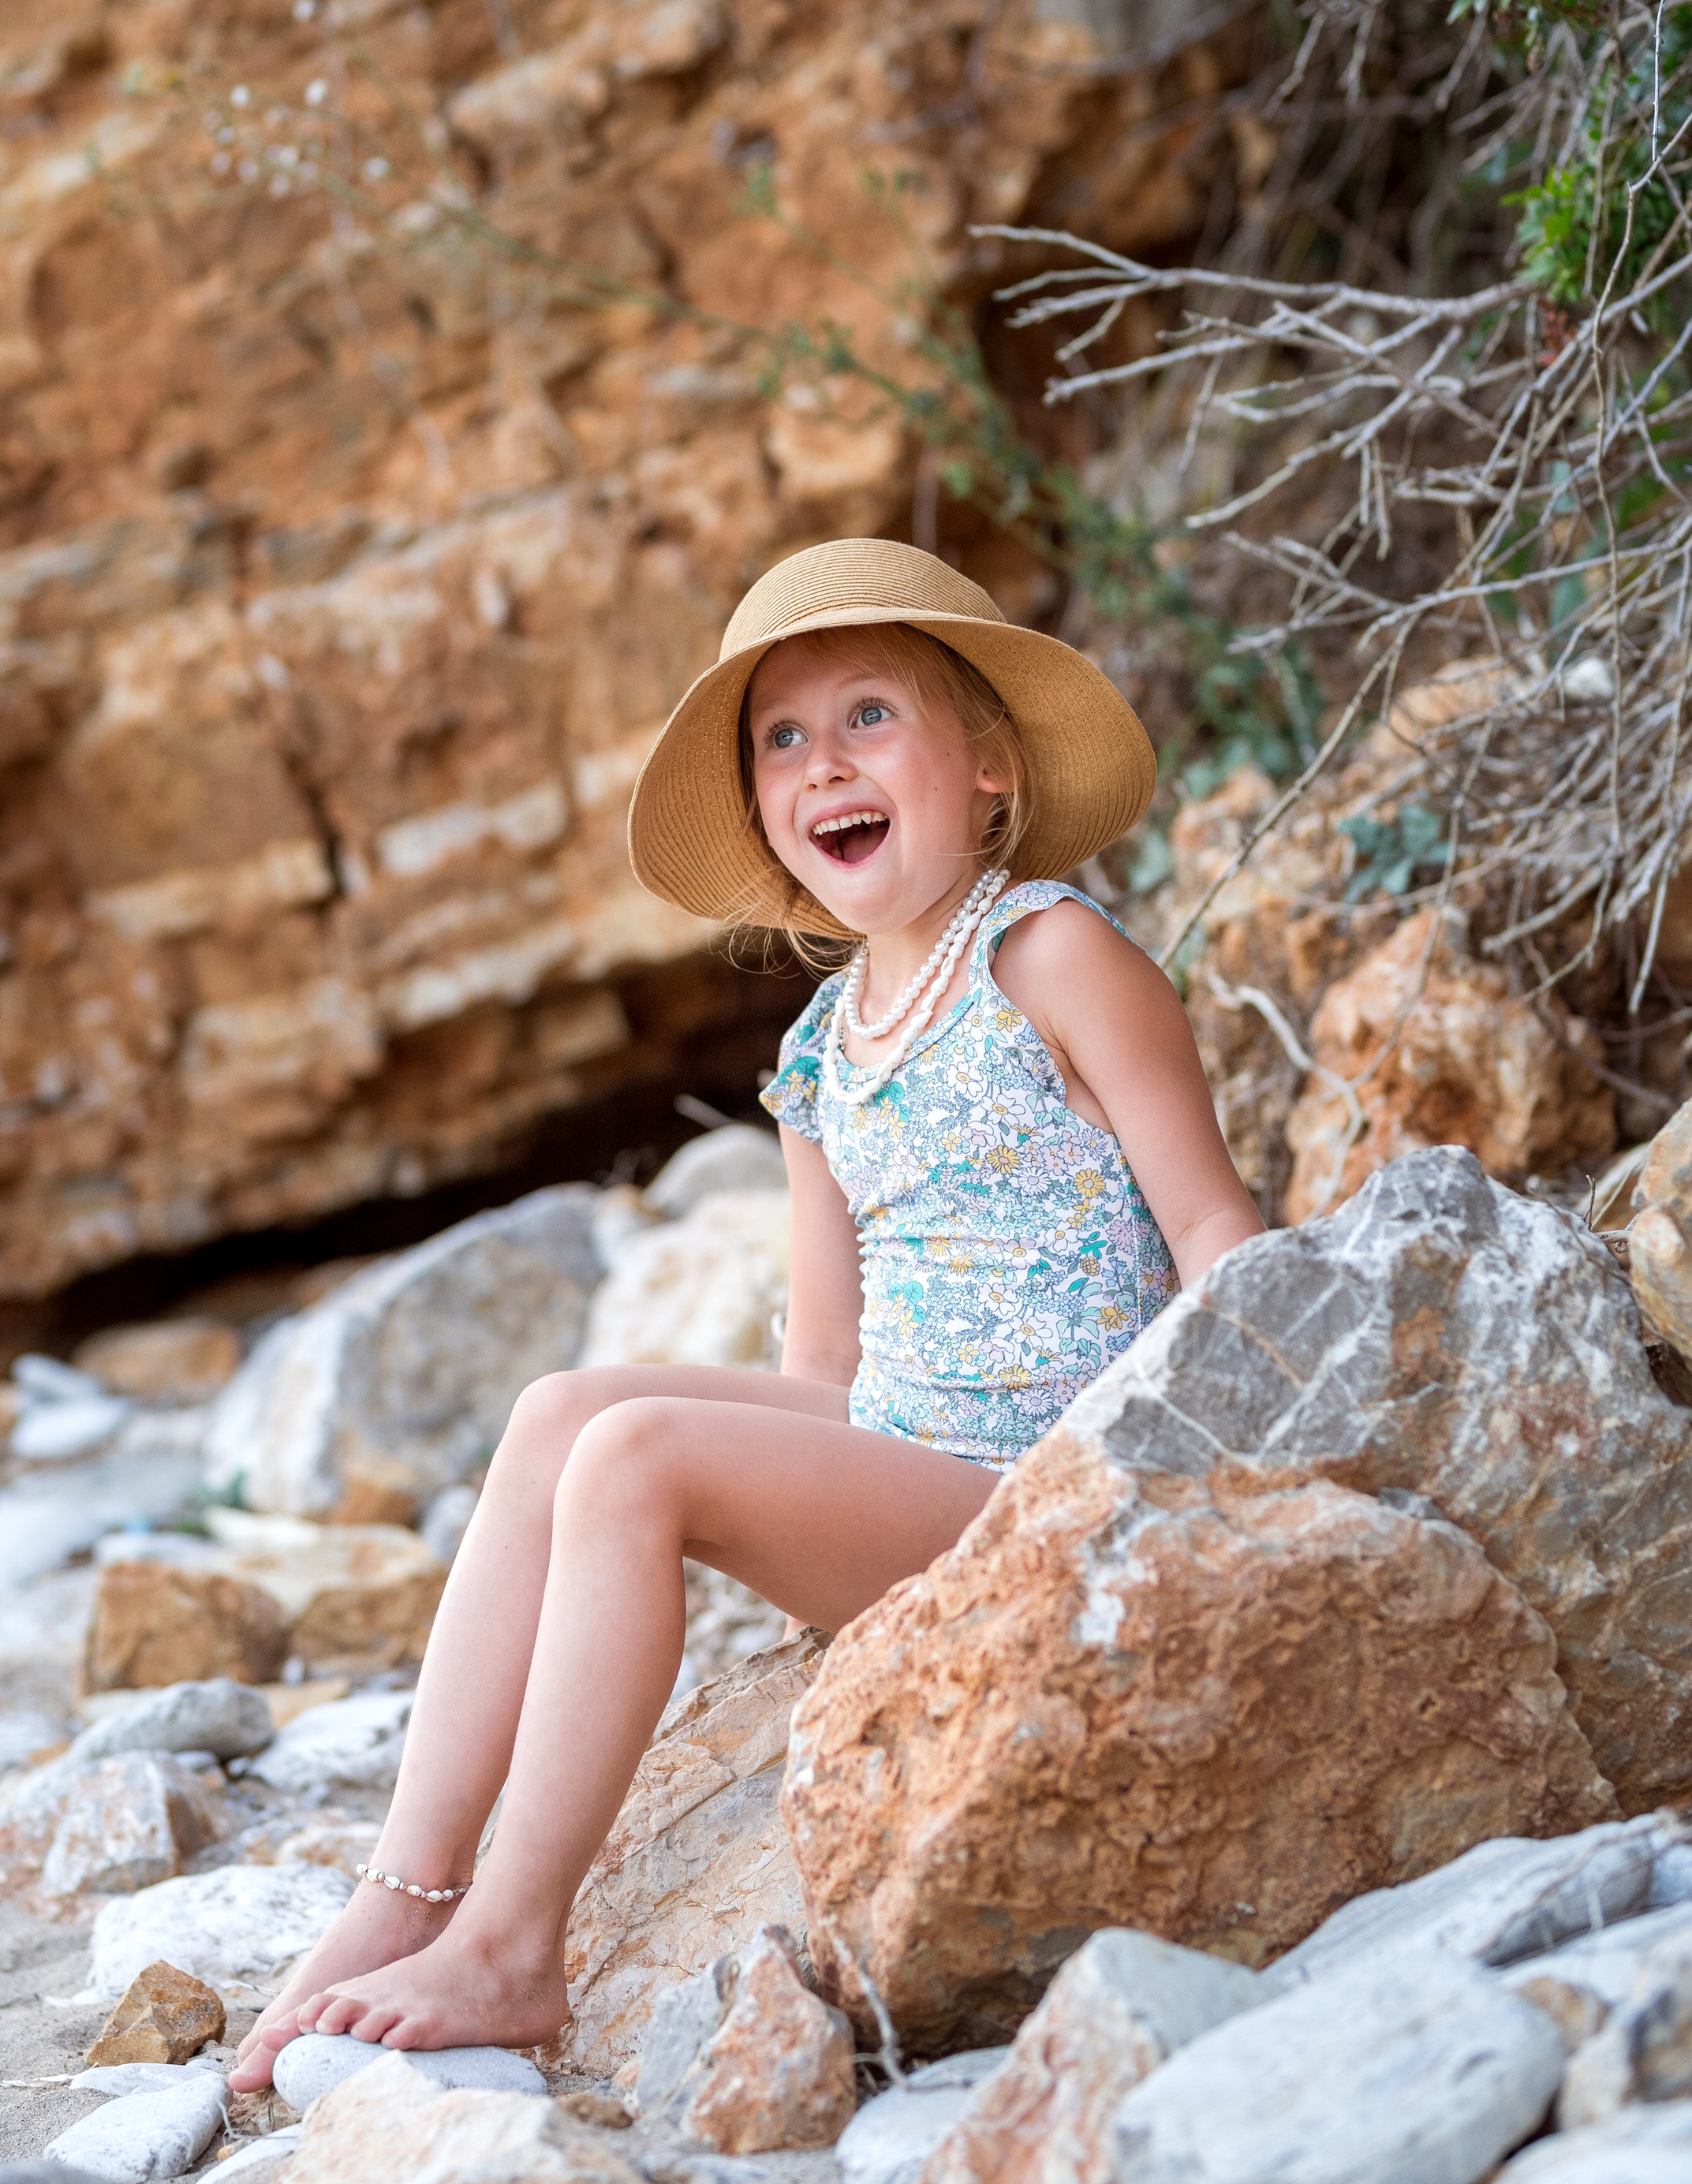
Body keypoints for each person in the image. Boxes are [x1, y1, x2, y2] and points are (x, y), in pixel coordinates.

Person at [227, 537, 1262, 2080]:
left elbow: (1210, 1224)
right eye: (780, 739)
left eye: (865, 717)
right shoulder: (820, 1050)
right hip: (912, 1451)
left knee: (638, 1457)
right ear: (771, 816)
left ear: (985, 764)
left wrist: (1240, 1473)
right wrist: (800, 1537)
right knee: (562, 1413)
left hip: (1050, 1480)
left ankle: (513, 1951)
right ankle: (409, 1889)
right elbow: (829, 1359)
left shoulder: (1050, 951)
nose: (819, 763)